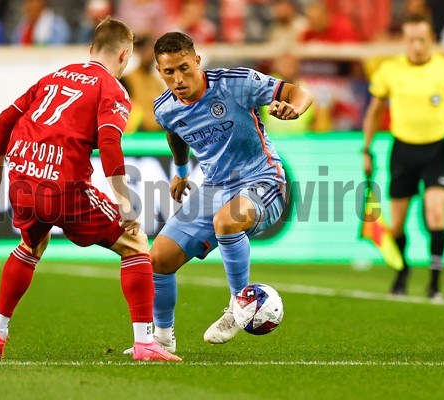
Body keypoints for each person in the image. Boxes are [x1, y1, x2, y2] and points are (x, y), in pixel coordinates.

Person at [0, 17, 180, 362]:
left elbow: (2, 121)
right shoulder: (111, 88)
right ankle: (145, 342)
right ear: (125, 55)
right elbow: (110, 142)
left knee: (31, 243)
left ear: (90, 50)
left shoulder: (54, 76)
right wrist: (125, 203)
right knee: (136, 242)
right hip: (63, 186)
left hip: (22, 179)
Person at [125, 31, 312, 353]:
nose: (178, 78)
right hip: (214, 188)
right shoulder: (165, 108)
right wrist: (181, 173)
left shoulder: (236, 83)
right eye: (169, 72)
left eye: (184, 68)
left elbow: (299, 92)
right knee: (158, 258)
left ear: (198, 61)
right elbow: (176, 135)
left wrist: (295, 108)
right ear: (159, 71)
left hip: (263, 179)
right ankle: (162, 338)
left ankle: (238, 308)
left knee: (227, 221)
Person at [362, 14, 444, 300]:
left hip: (436, 149)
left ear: (431, 40)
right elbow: (374, 112)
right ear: (405, 41)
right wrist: (366, 148)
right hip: (402, 150)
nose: (416, 46)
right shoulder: (390, 70)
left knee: (436, 214)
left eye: (421, 40)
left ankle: (435, 283)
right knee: (397, 224)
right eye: (411, 39)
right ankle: (403, 272)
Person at [120, 34, 166, 133]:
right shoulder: (127, 79)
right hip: (137, 132)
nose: (151, 55)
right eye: (147, 50)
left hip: (158, 132)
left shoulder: (157, 81)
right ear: (140, 52)